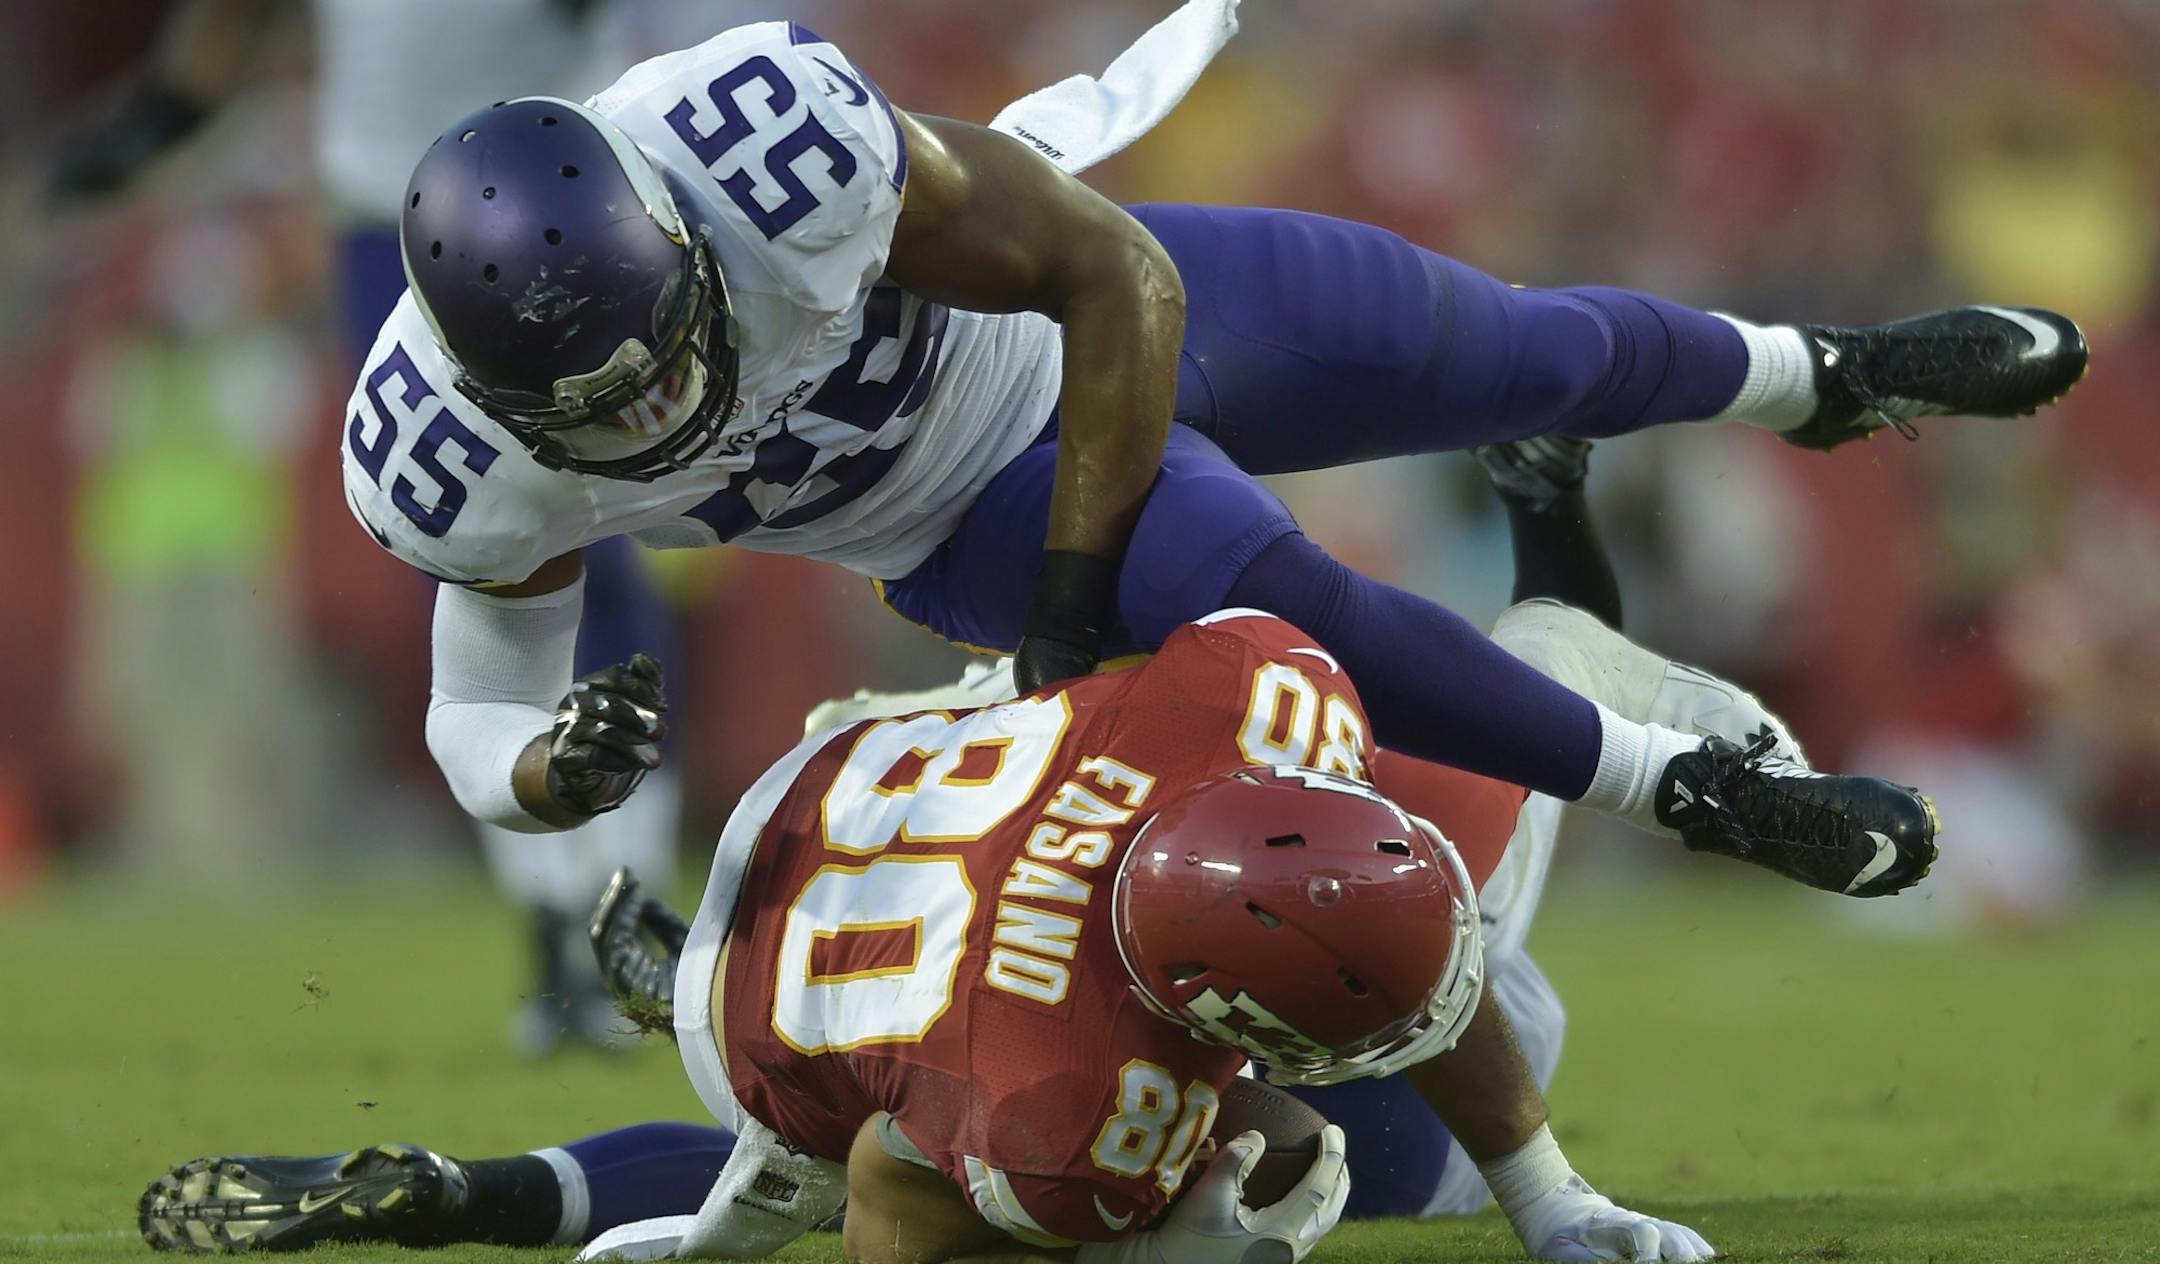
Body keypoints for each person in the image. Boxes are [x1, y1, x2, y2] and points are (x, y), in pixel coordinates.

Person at [370, 10, 2083, 907]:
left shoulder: (764, 149)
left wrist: (1070, 609)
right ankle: (1696, 787)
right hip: (963, 502)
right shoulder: (449, 453)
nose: (640, 405)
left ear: (672, 226)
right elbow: (477, 701)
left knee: (1496, 341)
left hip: (1097, 319)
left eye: (648, 340)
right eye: (579, 404)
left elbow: (1115, 274)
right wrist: (542, 778)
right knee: (1293, 600)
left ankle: (1826, 374)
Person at [140, 438, 1781, 1261]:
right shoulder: (1088, 1065)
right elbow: (875, 1188)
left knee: (874, 1110)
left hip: (836, 849)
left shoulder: (1267, 715)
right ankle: (504, 1167)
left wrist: (1547, 1195)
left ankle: (517, 1149)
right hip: (914, 911)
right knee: (1370, 1132)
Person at [50, 0, 678, 1055]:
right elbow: (240, 23)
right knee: (471, 545)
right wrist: (158, 117)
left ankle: (631, 905)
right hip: (379, 226)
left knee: (597, 541)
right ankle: (552, 922)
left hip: (558, 204)